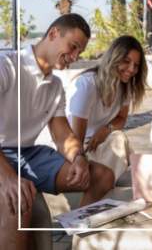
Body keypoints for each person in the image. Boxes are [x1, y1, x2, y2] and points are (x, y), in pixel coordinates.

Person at [0, 14, 115, 250]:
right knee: (18, 201)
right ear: (53, 34)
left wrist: (79, 157)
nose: (74, 57)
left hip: (28, 154)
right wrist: (7, 178)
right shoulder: (6, 66)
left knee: (102, 175)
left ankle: (77, 240)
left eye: (79, 53)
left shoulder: (55, 86)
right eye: (73, 47)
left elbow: (63, 134)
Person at [67, 36, 147, 181]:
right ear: (114, 58)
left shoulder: (125, 84)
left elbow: (121, 119)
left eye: (136, 64)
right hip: (77, 145)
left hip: (101, 141)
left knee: (119, 139)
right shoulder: (88, 84)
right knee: (117, 146)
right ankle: (106, 193)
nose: (132, 69)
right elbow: (76, 138)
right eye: (127, 62)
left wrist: (105, 129)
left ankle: (107, 192)